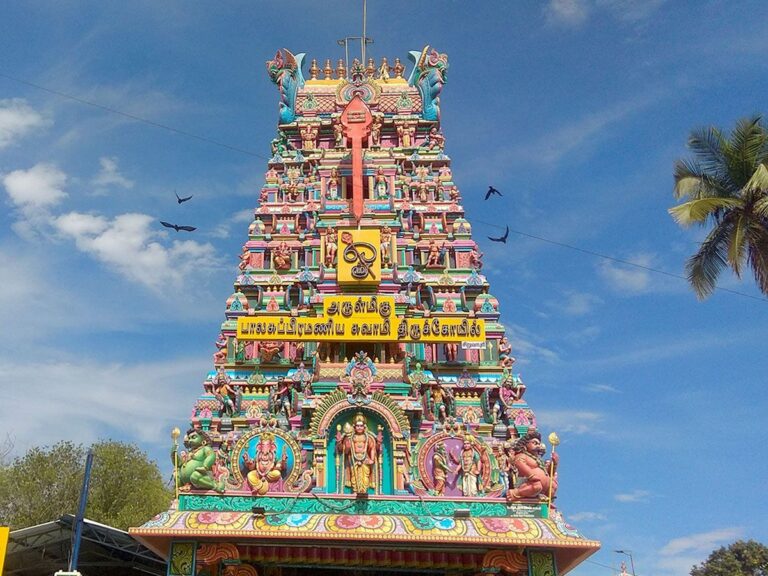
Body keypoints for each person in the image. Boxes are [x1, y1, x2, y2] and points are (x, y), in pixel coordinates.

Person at [336, 412, 380, 494]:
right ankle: (356, 491)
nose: (359, 427)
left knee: (365, 476)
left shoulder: (368, 437)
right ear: (354, 427)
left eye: (361, 426)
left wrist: (372, 459)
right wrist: (343, 444)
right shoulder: (350, 437)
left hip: (365, 458)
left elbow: (372, 448)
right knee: (354, 476)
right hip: (353, 459)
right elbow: (345, 451)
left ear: (364, 426)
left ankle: (363, 491)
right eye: (357, 426)